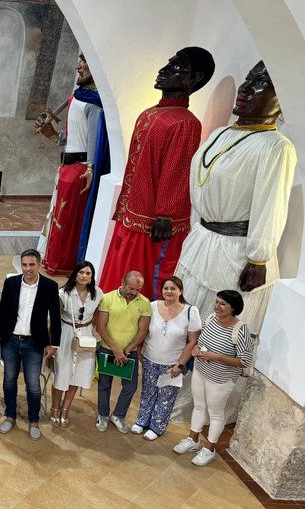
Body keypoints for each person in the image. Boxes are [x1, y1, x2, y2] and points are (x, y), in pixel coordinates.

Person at [176, 61, 296, 335]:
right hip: (203, 241)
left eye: (261, 84)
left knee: (218, 330)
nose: (246, 89)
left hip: (235, 253)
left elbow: (271, 205)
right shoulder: (221, 133)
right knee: (186, 318)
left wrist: (258, 258)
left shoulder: (276, 147)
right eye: (247, 80)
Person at [98, 47, 215, 300]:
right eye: (168, 64)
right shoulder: (151, 113)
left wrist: (167, 215)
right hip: (133, 213)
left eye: (176, 68)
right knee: (120, 280)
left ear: (194, 78)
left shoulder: (185, 122)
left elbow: (177, 170)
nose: (163, 70)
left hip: (154, 222)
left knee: (144, 283)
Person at [37, 53, 110, 275]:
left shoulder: (95, 104)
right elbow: (70, 138)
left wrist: (90, 168)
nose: (78, 66)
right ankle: (51, 261)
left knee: (67, 220)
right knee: (57, 216)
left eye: (84, 61)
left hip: (79, 171)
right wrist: (50, 133)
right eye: (79, 60)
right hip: (67, 167)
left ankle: (64, 265)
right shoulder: (77, 97)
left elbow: (93, 142)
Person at [173, 291, 254, 466]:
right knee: (199, 406)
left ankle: (209, 449)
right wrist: (196, 351)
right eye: (216, 302)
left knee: (216, 414)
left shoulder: (241, 330)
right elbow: (202, 342)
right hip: (201, 372)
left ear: (234, 308)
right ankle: (193, 439)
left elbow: (244, 361)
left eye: (222, 304)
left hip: (221, 380)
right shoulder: (210, 319)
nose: (217, 306)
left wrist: (215, 357)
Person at [0, 249, 61, 440]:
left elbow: (55, 317)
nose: (28, 269)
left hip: (35, 343)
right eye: (25, 265)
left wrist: (54, 343)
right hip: (11, 341)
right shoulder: (11, 282)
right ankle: (10, 415)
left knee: (33, 385)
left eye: (32, 264)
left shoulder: (49, 286)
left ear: (39, 264)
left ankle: (33, 420)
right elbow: (3, 310)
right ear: (20, 265)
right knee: (9, 380)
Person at [134, 276, 200, 440]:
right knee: (148, 392)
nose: (169, 291)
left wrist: (180, 364)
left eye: (173, 288)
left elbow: (192, 341)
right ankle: (142, 421)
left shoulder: (191, 312)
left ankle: (157, 427)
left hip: (173, 363)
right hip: (150, 358)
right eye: (166, 288)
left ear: (180, 291)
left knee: (166, 397)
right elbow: (143, 331)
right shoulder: (152, 306)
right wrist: (140, 351)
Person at [95, 271, 151, 433]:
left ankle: (118, 415)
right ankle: (103, 415)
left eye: (137, 290)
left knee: (130, 386)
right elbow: (101, 326)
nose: (134, 293)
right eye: (131, 288)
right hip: (107, 348)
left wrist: (126, 350)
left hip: (129, 352)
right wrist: (115, 349)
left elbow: (143, 330)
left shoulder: (144, 303)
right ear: (122, 282)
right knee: (104, 384)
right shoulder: (108, 298)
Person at [50, 261, 103, 428]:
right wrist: (52, 342)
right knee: (62, 373)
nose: (84, 276)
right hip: (66, 333)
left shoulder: (97, 293)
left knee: (77, 374)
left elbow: (97, 316)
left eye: (88, 273)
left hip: (85, 336)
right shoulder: (63, 293)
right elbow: (54, 319)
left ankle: (66, 409)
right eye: (81, 272)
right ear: (75, 274)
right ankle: (55, 408)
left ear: (91, 277)